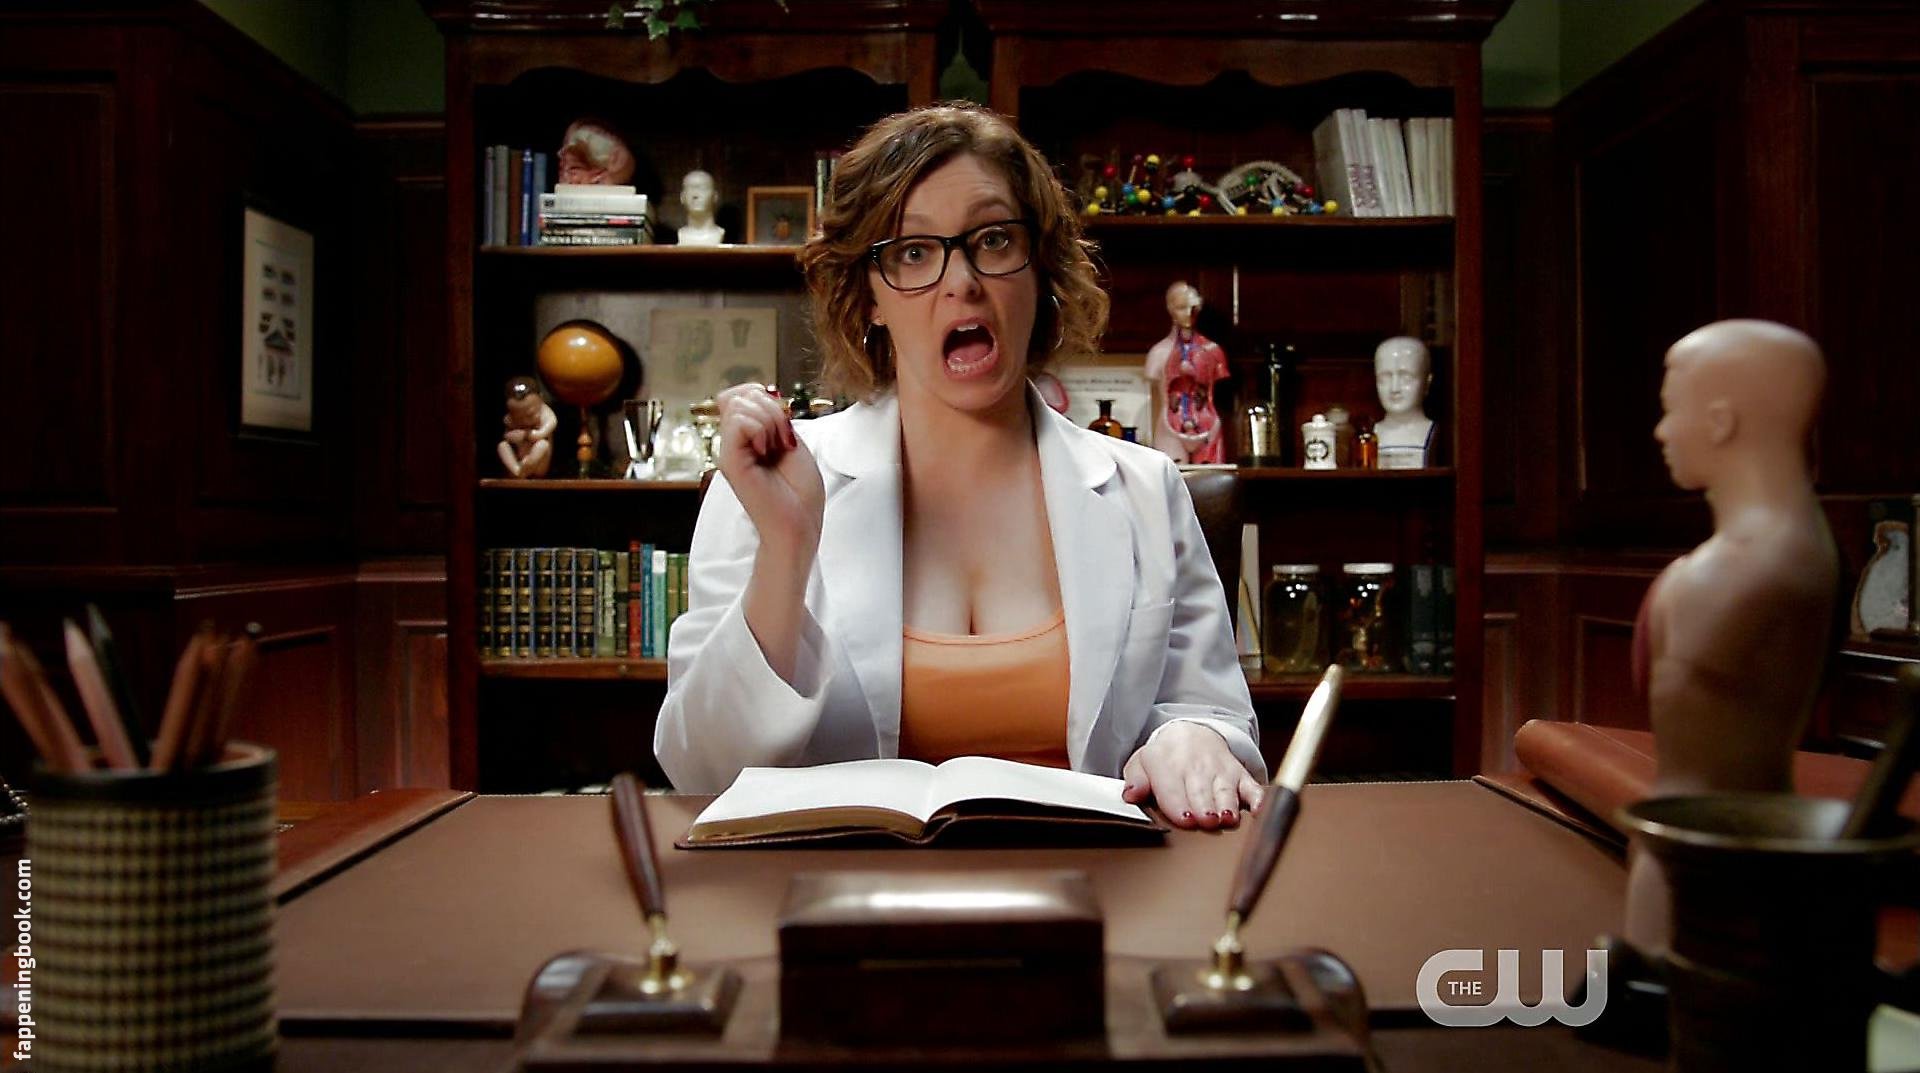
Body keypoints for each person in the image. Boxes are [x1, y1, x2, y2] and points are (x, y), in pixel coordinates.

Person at [654, 103, 1264, 829]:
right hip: (838, 885)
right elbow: (700, 770)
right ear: (869, 297)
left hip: (1094, 877)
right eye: (914, 252)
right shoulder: (770, 484)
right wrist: (787, 552)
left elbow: (1214, 716)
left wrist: (1191, 736)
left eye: (993, 239)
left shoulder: (1147, 489)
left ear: (1040, 270)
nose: (962, 281)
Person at [1622, 319, 1838, 954]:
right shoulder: (1807, 550)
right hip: (1722, 868)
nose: (1661, 432)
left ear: (1720, 422)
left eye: (1670, 410)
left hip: (1700, 887)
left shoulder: (1732, 575)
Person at [1142, 281, 1229, 464]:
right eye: (1182, 308)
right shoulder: (1159, 353)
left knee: (1212, 479)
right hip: (1170, 425)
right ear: (1171, 309)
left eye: (1193, 307)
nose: (1189, 313)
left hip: (1206, 424)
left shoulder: (1213, 351)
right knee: (1168, 474)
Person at [1372, 336, 1433, 468]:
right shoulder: (1370, 435)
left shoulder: (1441, 437)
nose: (1395, 388)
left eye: (1406, 378)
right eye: (1385, 378)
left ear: (1427, 382)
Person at [676, 169, 724, 246]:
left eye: (703, 189)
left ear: (715, 197)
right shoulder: (679, 234)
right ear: (682, 197)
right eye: (690, 189)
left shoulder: (720, 233)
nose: (695, 195)